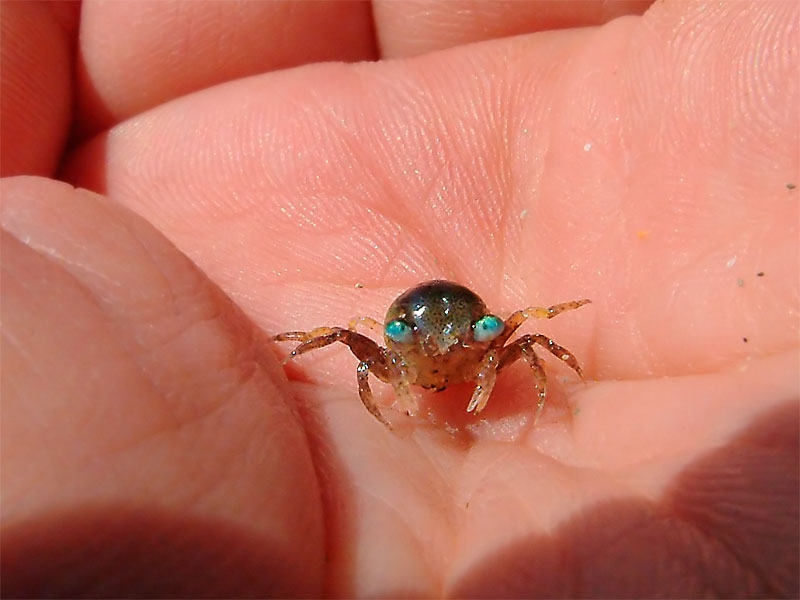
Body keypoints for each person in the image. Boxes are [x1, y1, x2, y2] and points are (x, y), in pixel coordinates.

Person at [2, 1, 797, 596]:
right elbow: (357, 348)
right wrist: (352, 376)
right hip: (416, 321)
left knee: (515, 340)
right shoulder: (390, 354)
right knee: (368, 344)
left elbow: (532, 333)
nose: (469, 364)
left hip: (450, 318)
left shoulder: (491, 340)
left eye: (487, 343)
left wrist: (522, 369)